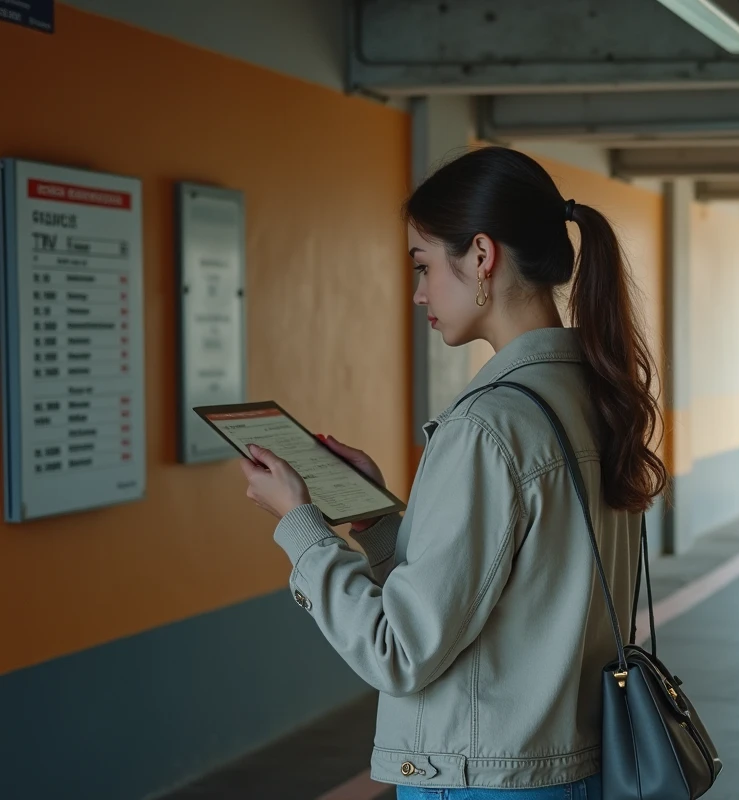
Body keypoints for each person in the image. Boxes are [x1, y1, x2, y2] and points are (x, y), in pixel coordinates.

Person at [237, 146, 667, 797]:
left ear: (482, 257)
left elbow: (401, 651)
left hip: (480, 780)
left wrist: (299, 525)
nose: (417, 293)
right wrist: (381, 522)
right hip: (574, 769)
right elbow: (493, 589)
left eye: (424, 265)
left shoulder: (487, 428)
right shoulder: (596, 396)